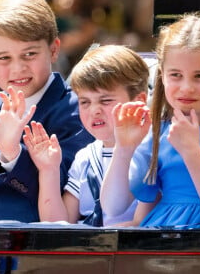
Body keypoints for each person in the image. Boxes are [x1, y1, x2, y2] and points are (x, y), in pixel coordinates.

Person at [100, 13, 200, 228]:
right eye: (175, 75)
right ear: (162, 75)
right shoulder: (160, 132)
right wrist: (124, 148)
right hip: (160, 239)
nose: (186, 87)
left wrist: (192, 152)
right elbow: (114, 207)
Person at [0, 0, 94, 222]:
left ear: (54, 50)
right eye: (4, 58)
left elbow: (64, 197)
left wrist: (12, 153)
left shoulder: (76, 109)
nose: (17, 69)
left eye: (29, 54)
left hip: (20, 238)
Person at [23, 45, 149, 226]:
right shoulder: (86, 157)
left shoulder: (152, 150)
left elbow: (145, 223)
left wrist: (89, 238)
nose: (94, 111)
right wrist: (48, 170)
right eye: (84, 102)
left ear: (139, 101)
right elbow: (59, 223)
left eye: (105, 100)